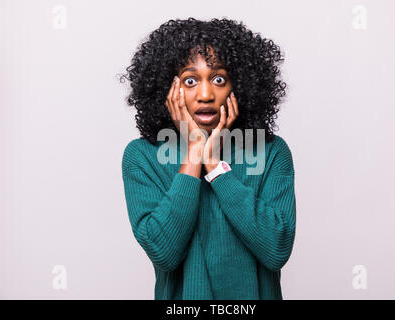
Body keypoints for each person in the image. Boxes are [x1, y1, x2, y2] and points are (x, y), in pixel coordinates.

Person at [120, 17, 296, 300]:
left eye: (218, 79)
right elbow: (164, 253)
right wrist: (194, 152)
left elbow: (275, 250)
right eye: (190, 81)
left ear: (237, 86)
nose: (205, 94)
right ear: (168, 90)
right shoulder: (142, 156)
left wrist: (215, 166)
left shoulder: (271, 152)